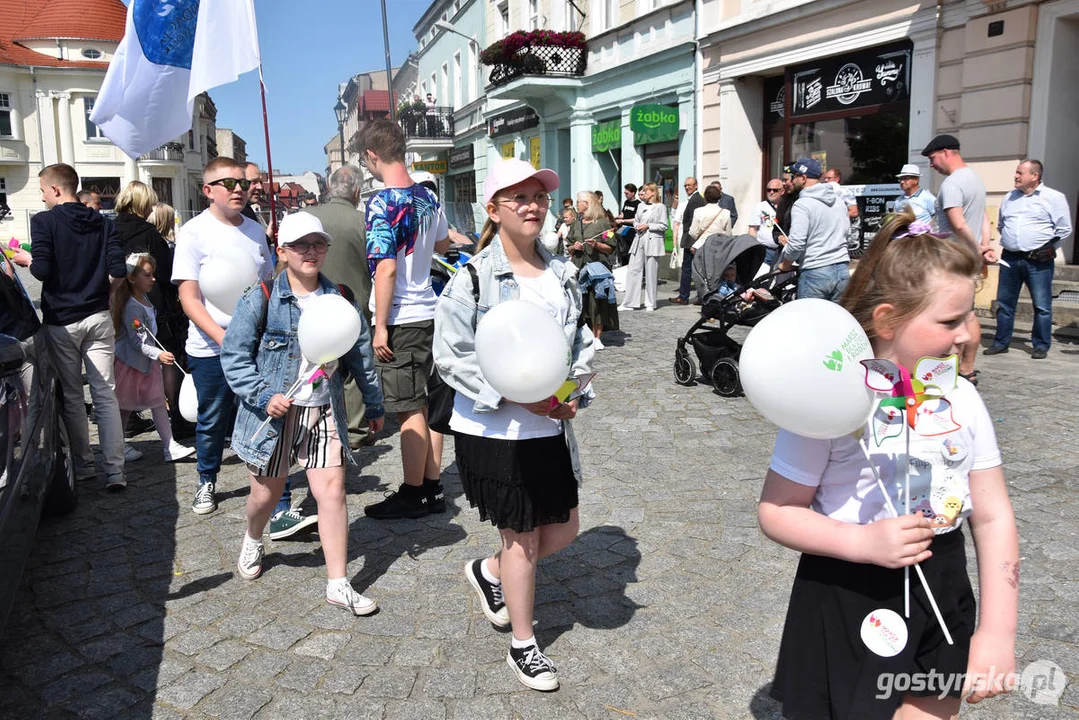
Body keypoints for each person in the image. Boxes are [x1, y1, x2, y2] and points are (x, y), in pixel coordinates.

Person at [759, 210, 1018, 719]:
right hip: (848, 587)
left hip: (940, 581)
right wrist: (861, 542)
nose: (967, 334)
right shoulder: (831, 403)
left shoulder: (963, 398)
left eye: (970, 316)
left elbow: (993, 516)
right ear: (886, 319)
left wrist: (997, 630)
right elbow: (778, 510)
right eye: (949, 320)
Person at [433, 158, 593, 692]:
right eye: (518, 197)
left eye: (539, 196)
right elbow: (450, 357)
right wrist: (517, 396)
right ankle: (524, 645)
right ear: (494, 208)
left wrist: (569, 397)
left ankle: (491, 572)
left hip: (549, 427)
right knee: (522, 539)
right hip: (494, 430)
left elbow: (579, 350)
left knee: (565, 529)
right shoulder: (473, 278)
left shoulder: (562, 273)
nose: (532, 205)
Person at [220, 211, 386, 615]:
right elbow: (234, 356)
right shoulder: (260, 296)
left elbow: (361, 356)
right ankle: (254, 537)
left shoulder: (341, 298)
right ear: (282, 251)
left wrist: (374, 403)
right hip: (275, 415)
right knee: (266, 493)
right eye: (301, 245)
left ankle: (338, 583)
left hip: (323, 409)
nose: (311, 252)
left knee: (331, 492)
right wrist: (263, 396)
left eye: (318, 244)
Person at [172, 157, 275, 515]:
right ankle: (206, 480)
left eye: (243, 184)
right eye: (228, 183)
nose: (238, 190)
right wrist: (222, 338)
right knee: (212, 419)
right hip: (208, 347)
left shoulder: (255, 230)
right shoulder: (193, 232)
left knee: (265, 414)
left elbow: (267, 285)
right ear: (208, 191)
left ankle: (277, 494)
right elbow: (189, 298)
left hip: (257, 346)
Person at [359, 119, 450, 519]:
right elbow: (444, 243)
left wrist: (380, 325)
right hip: (431, 311)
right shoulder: (429, 198)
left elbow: (386, 269)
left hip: (402, 317)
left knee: (409, 409)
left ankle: (414, 493)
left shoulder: (381, 203)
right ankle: (432, 486)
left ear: (372, 156)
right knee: (428, 404)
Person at [20, 164, 127, 490]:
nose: (41, 197)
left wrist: (25, 262)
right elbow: (119, 268)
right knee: (106, 394)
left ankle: (84, 466)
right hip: (97, 315)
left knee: (71, 396)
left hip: (62, 321)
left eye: (41, 190)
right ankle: (116, 471)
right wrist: (106, 296)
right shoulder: (100, 221)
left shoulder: (44, 221)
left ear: (54, 189)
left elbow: (41, 270)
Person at [307, 165, 376, 449]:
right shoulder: (365, 221)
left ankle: (313, 422)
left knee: (314, 366)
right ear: (357, 192)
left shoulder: (307, 217)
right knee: (353, 369)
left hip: (312, 307)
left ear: (328, 190)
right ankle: (355, 429)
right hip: (353, 304)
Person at [922, 134, 996, 385]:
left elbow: (957, 222)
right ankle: (967, 368)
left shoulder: (952, 184)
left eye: (933, 159)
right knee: (968, 313)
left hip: (952, 259)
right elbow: (983, 218)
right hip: (969, 258)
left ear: (945, 152)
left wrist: (976, 247)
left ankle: (950, 370)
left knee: (951, 316)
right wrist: (985, 245)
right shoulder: (975, 178)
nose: (932, 165)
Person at [111, 252, 195, 464]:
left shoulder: (144, 299)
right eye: (147, 275)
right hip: (131, 365)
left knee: (158, 403)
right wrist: (158, 353)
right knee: (124, 408)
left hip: (147, 365)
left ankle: (170, 446)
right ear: (132, 278)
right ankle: (118, 446)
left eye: (152, 274)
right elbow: (136, 341)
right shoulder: (132, 305)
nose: (153, 279)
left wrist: (155, 355)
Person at [985, 159, 1073, 359]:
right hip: (1010, 258)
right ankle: (1001, 342)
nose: (1015, 176)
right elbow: (1002, 225)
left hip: (1038, 260)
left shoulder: (1054, 197)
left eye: (1020, 173)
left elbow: (1064, 229)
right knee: (1005, 303)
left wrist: (1049, 249)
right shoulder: (1009, 197)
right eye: (1016, 172)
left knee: (1041, 305)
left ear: (1035, 176)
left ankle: (1040, 345)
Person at [776, 158, 851, 301]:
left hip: (815, 271)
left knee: (810, 321)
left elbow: (797, 243)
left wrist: (785, 265)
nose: (792, 180)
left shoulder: (802, 205)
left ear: (803, 178)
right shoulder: (839, 201)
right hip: (842, 270)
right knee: (837, 321)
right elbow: (847, 233)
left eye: (794, 176)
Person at [567, 191, 617, 349]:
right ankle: (582, 334)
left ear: (587, 204)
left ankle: (597, 337)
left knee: (597, 302)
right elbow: (568, 244)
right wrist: (573, 247)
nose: (577, 204)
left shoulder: (602, 224)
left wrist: (597, 245)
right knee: (580, 302)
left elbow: (611, 247)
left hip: (597, 268)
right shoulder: (576, 223)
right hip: (579, 266)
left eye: (579, 201)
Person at [619, 182, 667, 312]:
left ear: (652, 192)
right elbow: (635, 220)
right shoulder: (640, 206)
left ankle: (650, 302)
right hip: (639, 239)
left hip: (652, 240)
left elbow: (663, 225)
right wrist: (637, 225)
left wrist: (648, 226)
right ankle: (630, 302)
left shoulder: (660, 207)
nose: (643, 194)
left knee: (651, 272)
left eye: (645, 191)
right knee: (633, 270)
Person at [671, 177, 704, 305]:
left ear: (696, 185)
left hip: (692, 241)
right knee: (692, 269)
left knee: (689, 269)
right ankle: (692, 296)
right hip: (692, 240)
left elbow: (694, 223)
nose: (687, 188)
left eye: (689, 185)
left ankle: (684, 296)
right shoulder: (694, 199)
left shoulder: (696, 200)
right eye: (685, 185)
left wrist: (692, 243)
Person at [748, 179, 785, 266]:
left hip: (783, 250)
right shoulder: (760, 206)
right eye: (768, 190)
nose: (771, 192)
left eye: (775, 190)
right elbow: (753, 229)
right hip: (766, 251)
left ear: (782, 191)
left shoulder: (787, 205)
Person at [687, 184, 733, 254]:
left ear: (705, 197)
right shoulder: (726, 213)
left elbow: (693, 232)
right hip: (719, 248)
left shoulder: (698, 211)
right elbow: (728, 234)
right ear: (719, 197)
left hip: (701, 247)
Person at [614, 184, 641, 266]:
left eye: (627, 193)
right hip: (623, 228)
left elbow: (636, 219)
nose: (625, 195)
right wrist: (616, 217)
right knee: (617, 239)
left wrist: (622, 220)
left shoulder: (638, 204)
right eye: (624, 193)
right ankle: (622, 262)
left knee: (629, 249)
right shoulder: (626, 202)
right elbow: (623, 213)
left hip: (631, 229)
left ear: (633, 193)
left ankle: (630, 265)